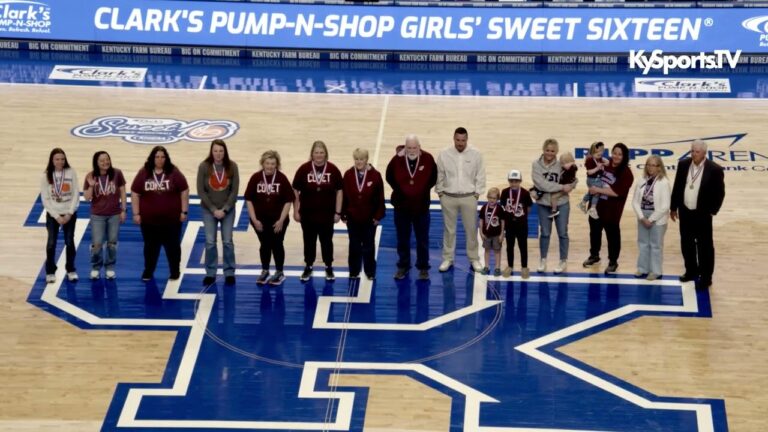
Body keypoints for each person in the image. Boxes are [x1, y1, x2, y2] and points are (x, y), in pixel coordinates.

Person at [670, 139, 725, 288]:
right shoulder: (683, 165)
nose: (694, 154)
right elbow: (677, 186)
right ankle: (691, 271)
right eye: (692, 151)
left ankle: (706, 277)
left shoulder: (714, 169)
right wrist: (673, 207)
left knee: (705, 247)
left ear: (704, 153)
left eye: (697, 152)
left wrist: (713, 211)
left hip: (703, 215)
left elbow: (720, 193)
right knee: (686, 244)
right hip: (685, 212)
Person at [131, 146, 189, 281]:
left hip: (172, 220)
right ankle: (148, 271)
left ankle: (175, 271)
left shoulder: (174, 172)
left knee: (173, 248)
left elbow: (184, 190)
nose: (160, 159)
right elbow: (135, 192)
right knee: (150, 248)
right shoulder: (144, 173)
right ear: (152, 158)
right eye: (157, 157)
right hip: (149, 221)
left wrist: (184, 211)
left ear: (166, 158)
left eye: (162, 157)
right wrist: (136, 213)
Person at [386, 135, 437, 280]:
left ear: (419, 147)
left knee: (422, 239)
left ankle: (423, 268)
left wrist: (422, 190)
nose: (412, 150)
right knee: (402, 239)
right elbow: (389, 176)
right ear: (405, 147)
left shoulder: (427, 159)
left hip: (421, 208)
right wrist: (401, 191)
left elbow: (434, 177)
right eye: (409, 148)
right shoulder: (397, 160)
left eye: (414, 147)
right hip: (402, 208)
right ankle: (403, 266)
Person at [435, 127, 486, 273]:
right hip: (448, 197)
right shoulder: (444, 154)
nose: (460, 143)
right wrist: (440, 193)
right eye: (458, 140)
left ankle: (474, 258)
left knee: (471, 229)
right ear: (453, 139)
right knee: (449, 230)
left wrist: (477, 194)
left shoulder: (476, 154)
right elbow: (440, 174)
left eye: (463, 140)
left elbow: (481, 174)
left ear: (467, 140)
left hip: (469, 197)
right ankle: (448, 258)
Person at [292, 140, 343, 282]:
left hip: (327, 215)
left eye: (321, 152)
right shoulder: (304, 169)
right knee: (309, 241)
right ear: (312, 154)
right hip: (308, 215)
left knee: (327, 242)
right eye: (316, 152)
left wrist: (338, 212)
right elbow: (295, 190)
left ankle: (328, 266)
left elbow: (340, 191)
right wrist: (296, 211)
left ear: (326, 154)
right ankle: (308, 266)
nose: (319, 155)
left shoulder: (333, 169)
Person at [583, 143, 634, 274]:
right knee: (594, 232)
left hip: (612, 211)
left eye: (619, 154)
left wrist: (597, 189)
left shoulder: (626, 173)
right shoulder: (606, 163)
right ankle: (594, 255)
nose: (616, 156)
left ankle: (613, 261)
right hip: (596, 207)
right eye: (614, 153)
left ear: (624, 156)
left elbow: (616, 192)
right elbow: (591, 164)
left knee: (612, 237)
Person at [245, 150, 295, 285]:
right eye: (267, 163)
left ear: (277, 164)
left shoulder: (282, 178)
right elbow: (249, 199)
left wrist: (281, 220)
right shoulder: (255, 178)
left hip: (278, 221)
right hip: (259, 221)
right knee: (265, 245)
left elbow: (288, 200)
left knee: (277, 244)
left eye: (273, 163)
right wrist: (254, 220)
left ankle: (279, 272)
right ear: (263, 163)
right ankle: (265, 270)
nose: (270, 166)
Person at [197, 139, 239, 286]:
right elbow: (201, 191)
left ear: (225, 152)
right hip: (209, 210)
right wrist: (214, 209)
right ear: (211, 151)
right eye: (215, 151)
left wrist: (225, 209)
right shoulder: (204, 166)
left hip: (228, 210)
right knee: (210, 242)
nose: (218, 154)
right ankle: (210, 272)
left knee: (227, 241)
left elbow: (234, 191)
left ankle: (229, 272)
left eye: (221, 151)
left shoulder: (232, 166)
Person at [531, 138, 576, 274]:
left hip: (562, 203)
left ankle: (563, 261)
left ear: (556, 151)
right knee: (545, 233)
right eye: (547, 150)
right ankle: (543, 260)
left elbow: (574, 179)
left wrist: (570, 186)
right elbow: (541, 184)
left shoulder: (561, 164)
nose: (550, 153)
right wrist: (562, 187)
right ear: (543, 150)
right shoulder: (536, 165)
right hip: (544, 204)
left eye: (553, 151)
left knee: (563, 233)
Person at [342, 148, 385, 280]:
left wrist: (378, 216)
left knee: (369, 246)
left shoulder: (375, 175)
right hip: (353, 218)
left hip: (369, 219)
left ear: (367, 159)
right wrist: (344, 214)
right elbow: (344, 196)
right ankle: (354, 271)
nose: (359, 162)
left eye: (361, 159)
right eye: (356, 159)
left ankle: (370, 271)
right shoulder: (348, 175)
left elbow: (380, 197)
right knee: (354, 245)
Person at [83, 151, 126, 280]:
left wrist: (123, 210)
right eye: (101, 160)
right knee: (97, 244)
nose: (105, 162)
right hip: (97, 215)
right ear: (96, 162)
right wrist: (90, 186)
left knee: (112, 243)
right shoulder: (90, 176)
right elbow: (86, 198)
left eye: (107, 159)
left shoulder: (117, 173)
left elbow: (123, 192)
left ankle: (110, 267)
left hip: (114, 214)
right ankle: (96, 267)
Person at [41, 148, 80, 283]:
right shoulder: (46, 175)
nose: (60, 161)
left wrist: (69, 213)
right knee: (51, 243)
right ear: (52, 160)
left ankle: (71, 269)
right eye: (57, 159)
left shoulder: (71, 172)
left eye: (62, 159)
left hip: (69, 213)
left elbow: (76, 193)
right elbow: (45, 199)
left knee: (69, 242)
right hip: (54, 215)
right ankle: (50, 271)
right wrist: (56, 216)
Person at [631, 155, 671, 281]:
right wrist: (642, 218)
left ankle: (655, 271)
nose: (650, 167)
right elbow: (635, 201)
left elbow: (665, 206)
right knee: (643, 244)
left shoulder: (664, 182)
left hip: (657, 218)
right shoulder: (641, 180)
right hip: (643, 216)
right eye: (648, 164)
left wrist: (651, 219)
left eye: (653, 165)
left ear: (659, 167)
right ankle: (642, 268)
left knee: (656, 245)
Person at [500, 169, 533, 279]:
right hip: (509, 225)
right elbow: (503, 206)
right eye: (512, 181)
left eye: (516, 181)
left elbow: (528, 207)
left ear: (520, 181)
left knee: (523, 246)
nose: (514, 183)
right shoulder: (505, 192)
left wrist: (521, 217)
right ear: (509, 181)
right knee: (509, 246)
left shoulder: (525, 193)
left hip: (522, 224)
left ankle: (524, 267)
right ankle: (510, 266)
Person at [479, 187, 505, 276]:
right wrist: (481, 233)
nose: (492, 200)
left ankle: (497, 267)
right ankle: (486, 266)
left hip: (497, 234)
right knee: (487, 250)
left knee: (497, 251)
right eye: (490, 197)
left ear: (497, 199)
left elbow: (502, 221)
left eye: (494, 198)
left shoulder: (499, 209)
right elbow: (481, 220)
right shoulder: (484, 208)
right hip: (486, 234)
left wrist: (502, 234)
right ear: (487, 197)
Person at [578, 141, 607, 220]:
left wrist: (606, 163)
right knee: (597, 192)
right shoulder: (590, 160)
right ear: (592, 152)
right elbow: (589, 172)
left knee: (591, 192)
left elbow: (606, 162)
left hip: (597, 179)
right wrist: (597, 168)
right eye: (597, 152)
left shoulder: (599, 158)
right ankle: (593, 208)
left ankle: (583, 203)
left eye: (601, 151)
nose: (600, 153)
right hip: (592, 179)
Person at [548, 152, 577, 219]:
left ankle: (554, 210)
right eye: (562, 164)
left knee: (554, 196)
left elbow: (573, 168)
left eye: (565, 163)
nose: (564, 165)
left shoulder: (572, 169)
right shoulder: (566, 168)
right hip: (562, 186)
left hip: (565, 187)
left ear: (572, 162)